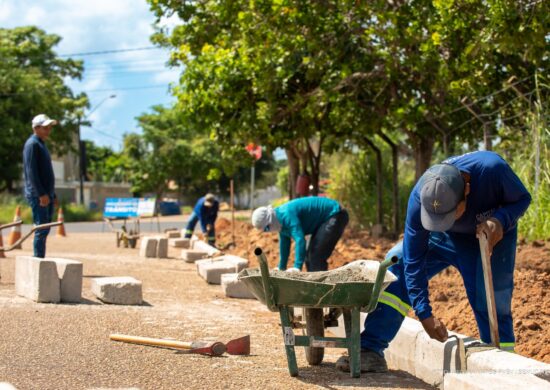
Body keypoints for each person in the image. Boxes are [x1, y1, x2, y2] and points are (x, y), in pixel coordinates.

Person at [336, 151, 531, 373]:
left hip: (490, 233)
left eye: (448, 214)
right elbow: (413, 259)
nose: (441, 221)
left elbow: (522, 199)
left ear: (466, 191)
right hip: (442, 237)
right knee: (396, 269)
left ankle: (503, 364)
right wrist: (424, 313)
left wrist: (500, 220)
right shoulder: (421, 196)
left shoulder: (492, 169)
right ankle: (369, 349)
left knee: (492, 299)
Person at [251, 197, 349, 272]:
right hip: (324, 220)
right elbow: (284, 244)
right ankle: (316, 289)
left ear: (270, 221)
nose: (269, 231)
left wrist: (297, 268)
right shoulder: (280, 223)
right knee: (308, 257)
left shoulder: (286, 215)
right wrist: (281, 268)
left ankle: (322, 292)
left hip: (335, 214)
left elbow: (300, 240)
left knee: (316, 256)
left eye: (267, 228)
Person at [23, 114, 58, 258]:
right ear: (36, 128)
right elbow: (31, 172)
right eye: (45, 127)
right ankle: (38, 261)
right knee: (41, 228)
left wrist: (52, 194)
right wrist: (41, 194)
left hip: (46, 193)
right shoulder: (32, 144)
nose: (48, 130)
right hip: (38, 195)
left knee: (45, 227)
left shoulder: (41, 144)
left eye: (49, 127)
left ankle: (40, 259)